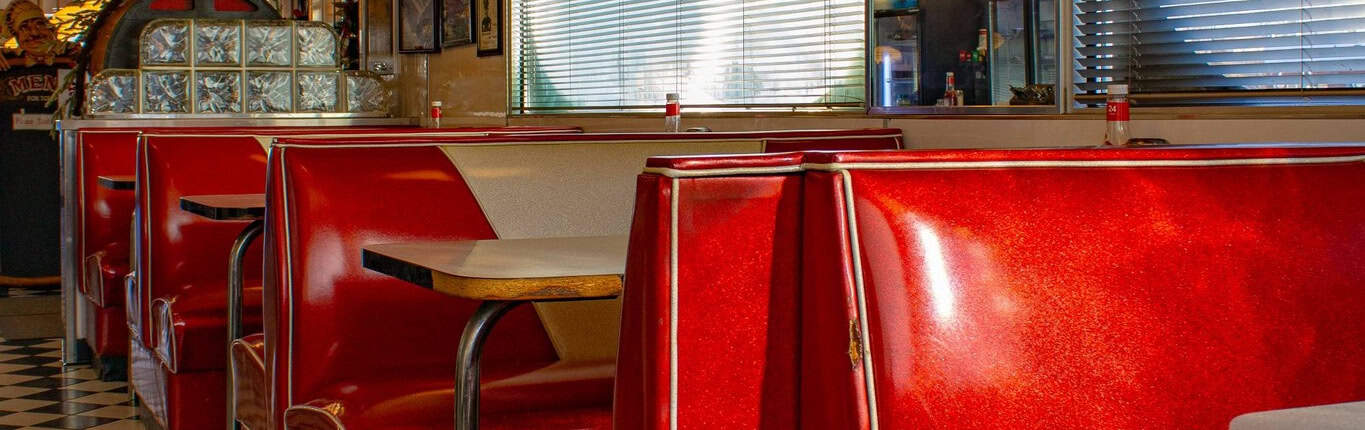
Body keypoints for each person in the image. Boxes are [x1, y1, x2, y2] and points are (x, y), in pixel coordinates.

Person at [0, 0, 77, 71]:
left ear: (53, 31)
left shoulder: (71, 52)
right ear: (18, 39)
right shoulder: (7, 58)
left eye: (40, 24)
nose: (35, 33)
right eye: (24, 27)